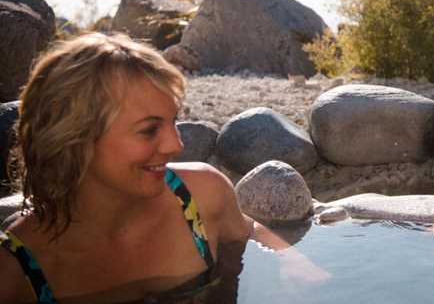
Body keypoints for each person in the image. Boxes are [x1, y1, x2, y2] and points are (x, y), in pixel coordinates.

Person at [0, 33, 254, 304]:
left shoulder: (200, 197)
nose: (175, 144)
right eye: (149, 130)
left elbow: (252, 239)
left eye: (173, 121)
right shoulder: (15, 271)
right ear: (75, 140)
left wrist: (293, 268)